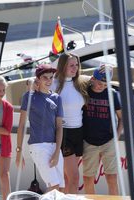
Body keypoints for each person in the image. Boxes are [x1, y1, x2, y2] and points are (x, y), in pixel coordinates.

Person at [16, 64, 65, 192]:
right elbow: (21, 126)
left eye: (51, 77)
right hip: (38, 146)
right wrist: (18, 151)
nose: (49, 80)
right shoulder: (29, 97)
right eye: (45, 77)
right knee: (54, 187)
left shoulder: (57, 98)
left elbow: (59, 127)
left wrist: (56, 151)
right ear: (38, 79)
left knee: (60, 189)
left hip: (55, 146)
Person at [51, 53, 88, 194]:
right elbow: (34, 84)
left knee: (68, 177)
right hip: (63, 133)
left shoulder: (80, 83)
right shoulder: (54, 84)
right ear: (63, 66)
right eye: (71, 65)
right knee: (74, 177)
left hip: (78, 132)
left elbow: (101, 78)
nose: (75, 68)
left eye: (77, 65)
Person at [82, 64, 123, 195]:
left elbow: (122, 118)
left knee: (112, 178)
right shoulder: (85, 92)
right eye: (100, 83)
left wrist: (116, 137)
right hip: (88, 141)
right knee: (88, 178)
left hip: (108, 141)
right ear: (93, 79)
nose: (102, 87)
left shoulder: (112, 94)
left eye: (106, 85)